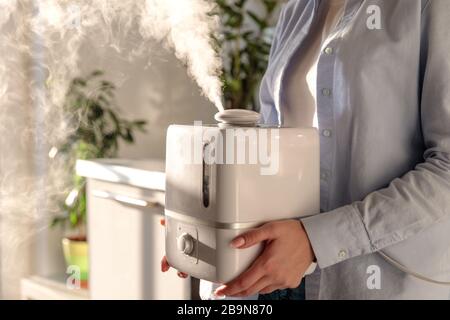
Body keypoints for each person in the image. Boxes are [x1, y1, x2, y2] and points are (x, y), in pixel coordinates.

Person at [163, 0, 450, 299]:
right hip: (275, 274)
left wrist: (315, 241)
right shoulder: (297, 11)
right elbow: (272, 150)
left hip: (371, 281)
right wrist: (201, 221)